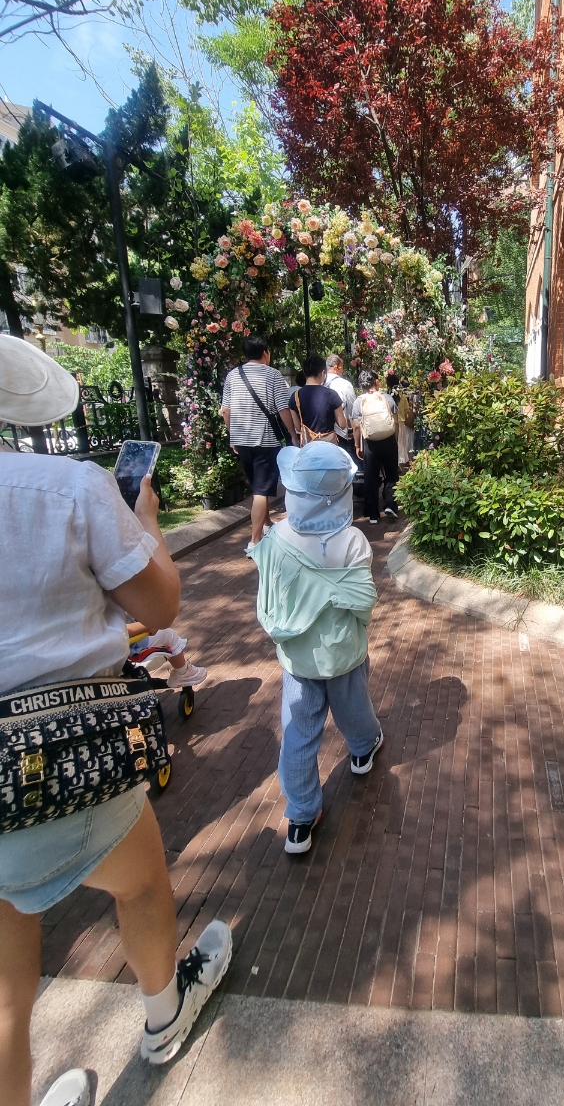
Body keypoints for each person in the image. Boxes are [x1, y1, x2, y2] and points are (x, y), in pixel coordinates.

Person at [0, 336, 231, 1106]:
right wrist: (148, 521)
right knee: (139, 886)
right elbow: (159, 605)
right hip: (66, 754)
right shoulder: (68, 487)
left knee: (5, 987)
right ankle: (165, 1014)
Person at [251, 443, 383, 856]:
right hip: (342, 651)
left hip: (298, 658)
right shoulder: (353, 541)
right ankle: (363, 751)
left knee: (299, 733)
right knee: (354, 707)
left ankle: (302, 816)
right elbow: (363, 603)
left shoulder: (277, 538)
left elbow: (269, 589)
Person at [220, 334, 300, 555]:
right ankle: (255, 542)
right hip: (265, 440)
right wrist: (292, 435)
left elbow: (225, 410)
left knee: (257, 486)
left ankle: (266, 524)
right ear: (265, 352)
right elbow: (283, 409)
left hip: (242, 440)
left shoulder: (233, 375)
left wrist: (232, 435)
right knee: (261, 491)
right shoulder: (272, 375)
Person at [350, 370, 399, 525]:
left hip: (370, 443)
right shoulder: (387, 398)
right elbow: (395, 422)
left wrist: (357, 445)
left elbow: (356, 427)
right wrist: (394, 440)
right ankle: (390, 505)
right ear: (376, 382)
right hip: (389, 440)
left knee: (371, 477)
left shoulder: (359, 402)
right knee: (391, 475)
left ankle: (372, 514)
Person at [126, 622, 208, 688]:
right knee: (168, 634)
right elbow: (117, 632)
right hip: (125, 652)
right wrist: (148, 626)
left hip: (121, 648)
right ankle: (183, 673)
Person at [289, 354, 348, 445]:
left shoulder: (295, 396)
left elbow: (298, 427)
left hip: (308, 448)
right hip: (329, 447)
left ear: (305, 373)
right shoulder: (332, 394)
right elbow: (342, 425)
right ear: (323, 373)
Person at [324, 353, 357, 458]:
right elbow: (353, 412)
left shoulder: (319, 383)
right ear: (336, 368)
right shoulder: (345, 384)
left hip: (321, 435)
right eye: (342, 367)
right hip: (340, 435)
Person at [386, 372, 416, 467]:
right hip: (401, 423)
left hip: (389, 422)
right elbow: (407, 411)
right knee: (400, 444)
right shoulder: (402, 396)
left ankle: (392, 463)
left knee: (391, 444)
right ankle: (399, 464)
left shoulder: (386, 396)